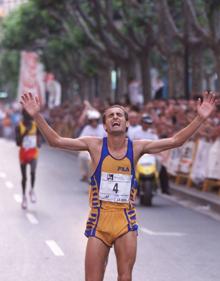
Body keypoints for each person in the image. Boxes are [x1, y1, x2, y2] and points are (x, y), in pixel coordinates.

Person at [20, 91, 216, 281]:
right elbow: (56, 141)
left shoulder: (138, 147)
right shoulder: (94, 145)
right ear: (105, 125)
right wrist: (37, 115)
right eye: (111, 115)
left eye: (120, 115)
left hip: (125, 223)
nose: (115, 117)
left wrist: (199, 118)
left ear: (127, 123)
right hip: (99, 223)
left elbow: (175, 141)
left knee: (125, 277)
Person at [15, 109, 41, 209]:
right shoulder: (19, 126)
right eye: (28, 116)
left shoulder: (35, 126)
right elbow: (17, 143)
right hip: (23, 153)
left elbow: (38, 136)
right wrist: (24, 134)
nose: (30, 118)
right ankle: (24, 197)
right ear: (24, 116)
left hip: (33, 152)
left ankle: (32, 190)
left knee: (33, 172)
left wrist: (38, 142)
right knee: (24, 177)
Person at [79, 110, 106, 182]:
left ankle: (94, 178)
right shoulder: (87, 128)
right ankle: (85, 174)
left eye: (95, 121)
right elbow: (81, 139)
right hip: (88, 150)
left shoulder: (102, 128)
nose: (94, 123)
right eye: (92, 121)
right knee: (82, 156)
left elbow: (107, 139)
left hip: (100, 150)